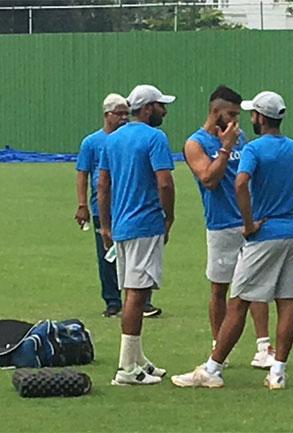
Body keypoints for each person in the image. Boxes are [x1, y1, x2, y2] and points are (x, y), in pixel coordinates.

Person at [185, 90, 293, 390]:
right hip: (292, 234)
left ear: (259, 117)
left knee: (238, 301)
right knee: (286, 301)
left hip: (263, 235)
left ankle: (212, 369)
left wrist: (248, 222)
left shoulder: (253, 149)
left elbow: (240, 183)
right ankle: (278, 371)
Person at [171, 86, 274, 388]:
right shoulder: (195, 143)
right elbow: (209, 179)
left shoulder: (240, 138)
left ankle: (263, 347)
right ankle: (220, 347)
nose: (235, 122)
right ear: (215, 113)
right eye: (230, 115)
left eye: (238, 116)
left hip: (249, 221)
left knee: (256, 286)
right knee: (220, 289)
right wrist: (225, 148)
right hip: (220, 225)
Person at [98, 84, 176, 385]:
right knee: (137, 295)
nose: (164, 111)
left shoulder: (112, 139)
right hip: (145, 224)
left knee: (132, 291)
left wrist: (106, 225)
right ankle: (125, 369)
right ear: (147, 108)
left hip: (122, 226)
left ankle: (137, 359)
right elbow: (165, 183)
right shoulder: (155, 138)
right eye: (160, 105)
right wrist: (168, 217)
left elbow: (103, 185)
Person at [75, 93, 160, 318]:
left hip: (128, 205)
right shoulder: (92, 142)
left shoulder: (130, 138)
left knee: (137, 257)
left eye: (125, 113)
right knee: (108, 256)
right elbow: (84, 174)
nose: (123, 118)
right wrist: (82, 203)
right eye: (118, 113)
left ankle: (143, 301)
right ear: (106, 115)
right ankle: (113, 301)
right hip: (102, 208)